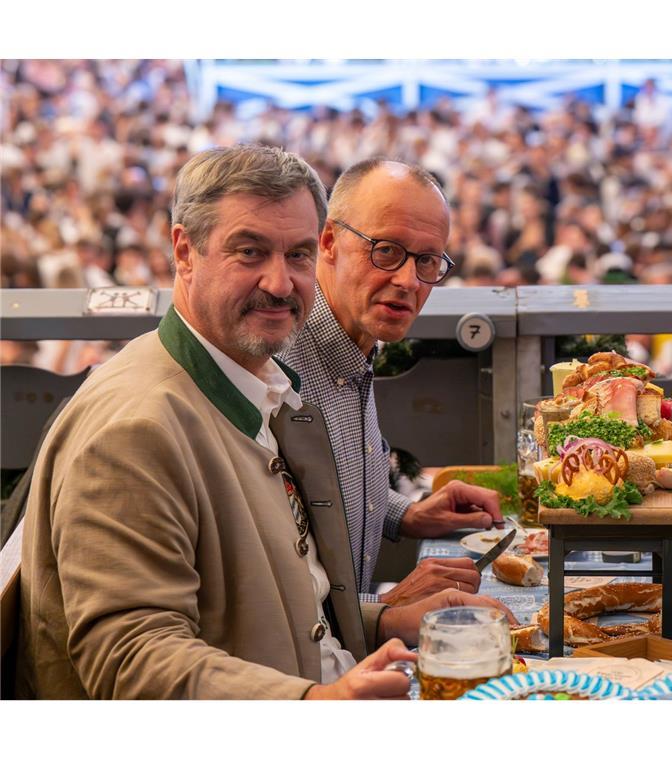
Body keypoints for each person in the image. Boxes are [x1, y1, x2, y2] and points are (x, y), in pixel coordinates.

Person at [16, 144, 513, 699]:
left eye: (297, 255)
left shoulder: (261, 384)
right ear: (184, 251)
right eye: (250, 252)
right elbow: (131, 660)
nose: (280, 283)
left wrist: (385, 621)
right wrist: (318, 702)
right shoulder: (136, 427)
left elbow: (280, 612)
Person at [282, 158, 505, 607]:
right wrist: (388, 609)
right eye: (386, 250)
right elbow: (270, 599)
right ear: (328, 242)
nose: (407, 280)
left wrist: (409, 514)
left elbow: (318, 498)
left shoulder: (356, 342)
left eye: (427, 261)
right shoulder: (279, 369)